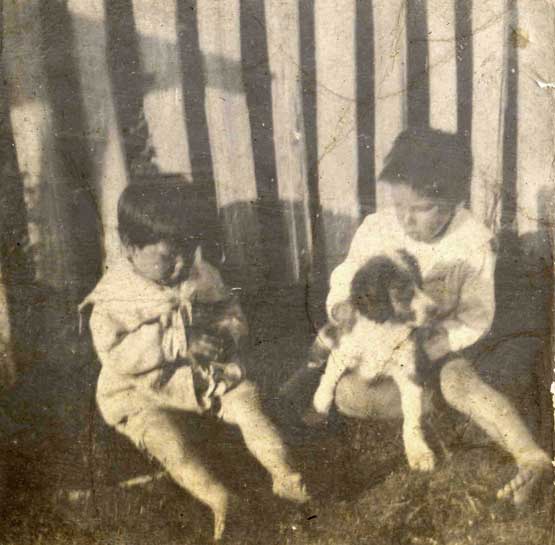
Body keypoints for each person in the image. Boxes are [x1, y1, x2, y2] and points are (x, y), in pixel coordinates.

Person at [288, 127, 551, 507]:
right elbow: (348, 274)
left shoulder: (472, 241)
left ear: (453, 201)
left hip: (434, 345)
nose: (407, 219)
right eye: (399, 206)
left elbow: (477, 316)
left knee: (460, 381)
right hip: (379, 344)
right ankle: (441, 408)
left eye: (421, 208)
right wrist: (341, 303)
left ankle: (530, 457)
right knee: (349, 394)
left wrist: (443, 342)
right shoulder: (378, 229)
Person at [79, 177, 309, 542]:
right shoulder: (114, 297)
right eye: (168, 257)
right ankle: (220, 500)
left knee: (248, 404)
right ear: (129, 247)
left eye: (188, 250)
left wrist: (227, 333)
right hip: (143, 390)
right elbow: (117, 352)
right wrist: (176, 343)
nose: (181, 263)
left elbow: (232, 312)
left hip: (206, 376)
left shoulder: (199, 274)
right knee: (171, 446)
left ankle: (286, 476)